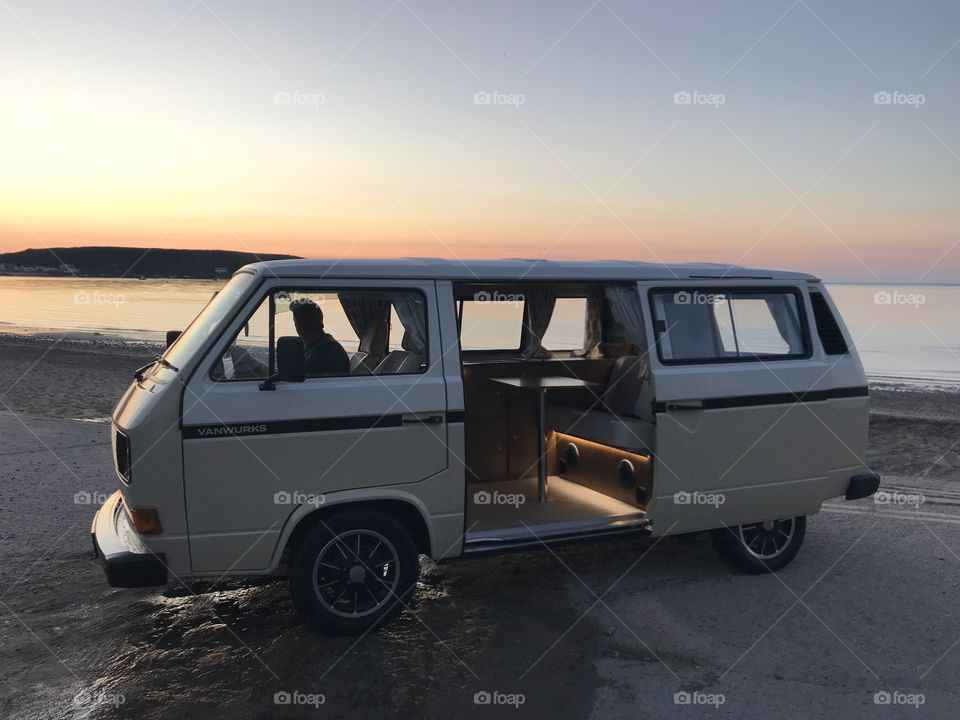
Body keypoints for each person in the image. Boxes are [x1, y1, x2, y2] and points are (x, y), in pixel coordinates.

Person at [289, 299, 350, 376]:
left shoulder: (325, 352)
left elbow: (300, 379)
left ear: (298, 324)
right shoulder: (321, 346)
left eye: (294, 321)